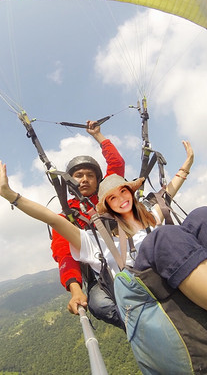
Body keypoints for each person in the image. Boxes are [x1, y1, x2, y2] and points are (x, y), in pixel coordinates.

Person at [0, 159, 207, 375]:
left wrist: (185, 166)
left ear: (131, 193)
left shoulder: (151, 218)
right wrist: (13, 196)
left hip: (179, 266)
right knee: (164, 240)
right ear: (105, 207)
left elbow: (169, 192)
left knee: (202, 215)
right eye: (111, 197)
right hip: (148, 289)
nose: (120, 198)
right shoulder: (94, 242)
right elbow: (53, 218)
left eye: (123, 192)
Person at [50, 120, 125, 327]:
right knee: (100, 305)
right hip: (99, 275)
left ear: (98, 180)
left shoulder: (106, 198)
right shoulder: (66, 217)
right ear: (70, 181)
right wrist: (75, 289)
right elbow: (64, 254)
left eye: (90, 175)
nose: (84, 179)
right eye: (78, 176)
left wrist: (98, 136)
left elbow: (117, 166)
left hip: (128, 258)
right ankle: (142, 334)